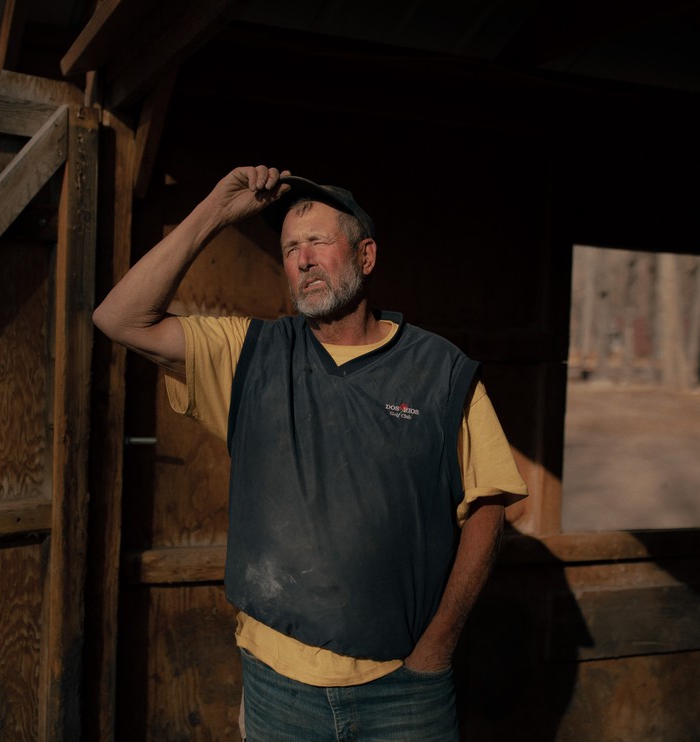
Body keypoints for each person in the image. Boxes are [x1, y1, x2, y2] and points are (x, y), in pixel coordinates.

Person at [93, 165, 528, 741]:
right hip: (279, 685)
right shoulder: (251, 354)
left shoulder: (440, 371)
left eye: (318, 241)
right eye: (290, 248)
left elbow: (489, 507)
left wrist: (436, 649)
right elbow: (117, 318)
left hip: (404, 688)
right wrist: (215, 213)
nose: (301, 258)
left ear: (366, 256)